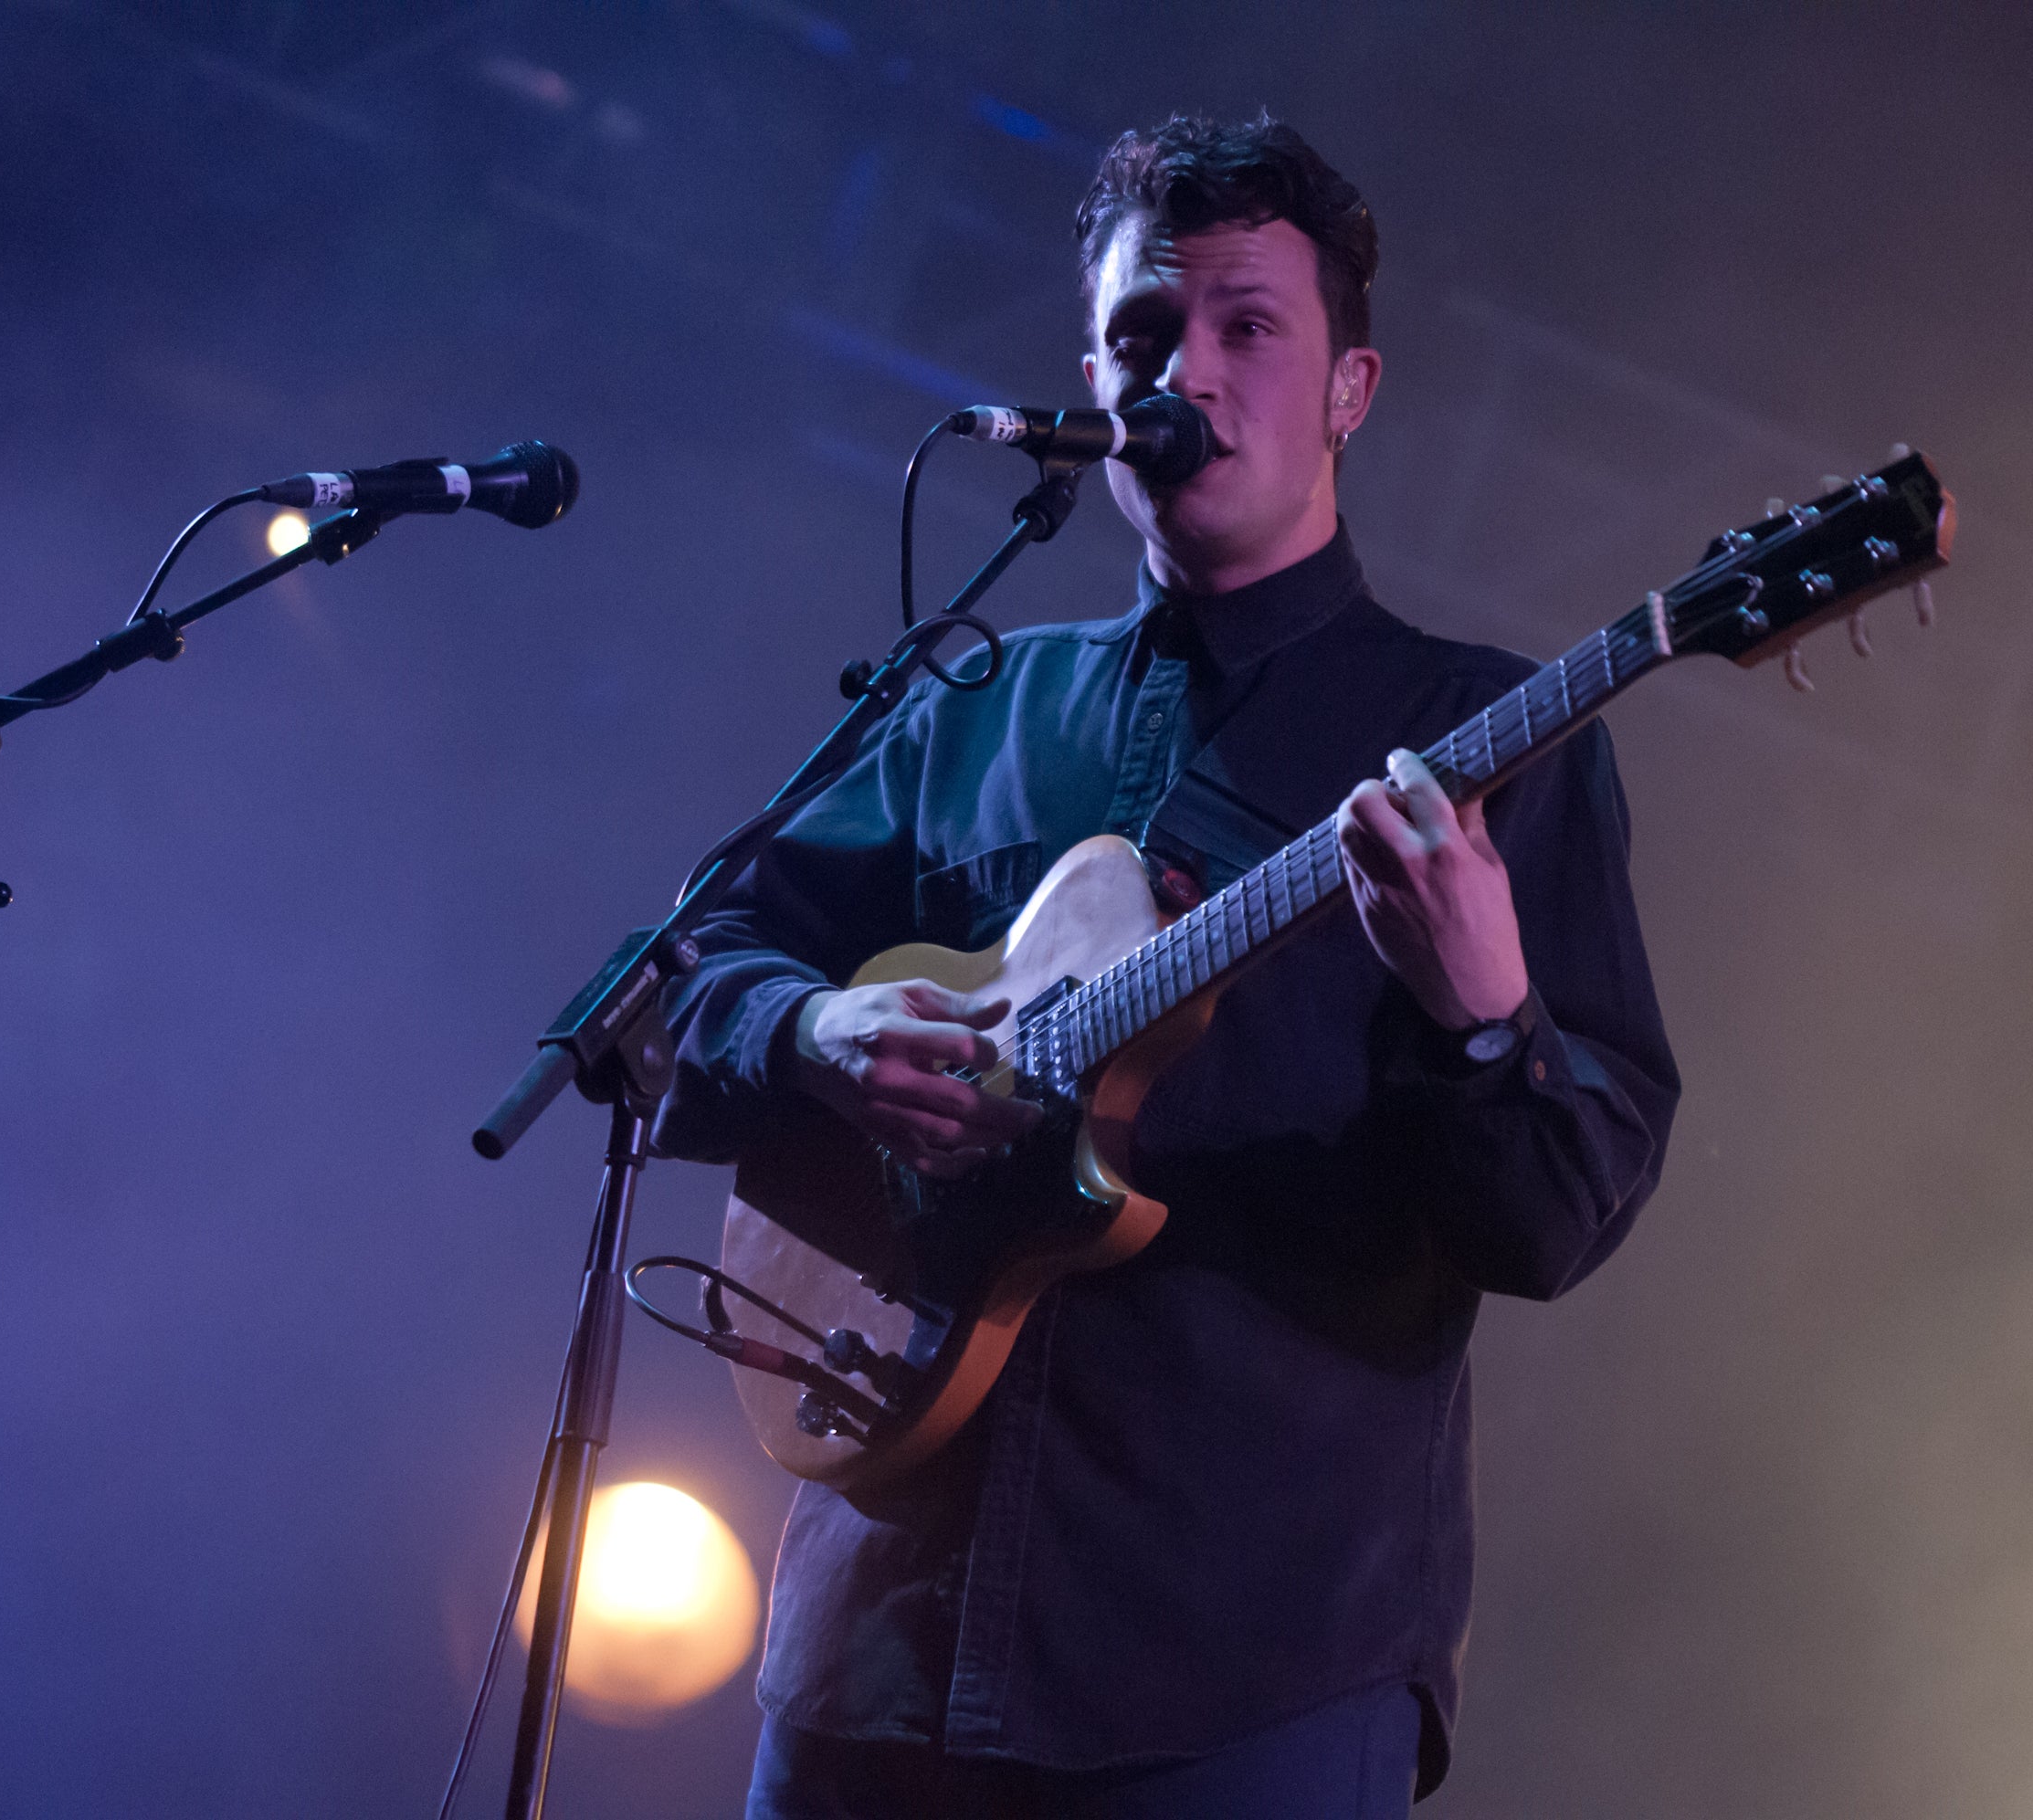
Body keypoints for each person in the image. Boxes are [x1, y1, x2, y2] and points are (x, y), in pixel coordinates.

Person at [658, 112, 1679, 1818]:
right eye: (1145, 332)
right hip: (878, 1632)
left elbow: (1558, 1219)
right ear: (1089, 375)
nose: (1185, 369)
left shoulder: (1481, 739)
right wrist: (817, 1029)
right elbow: (685, 969)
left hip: (1246, 1664)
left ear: (1351, 387)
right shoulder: (970, 701)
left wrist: (1483, 1014)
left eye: (1246, 326)